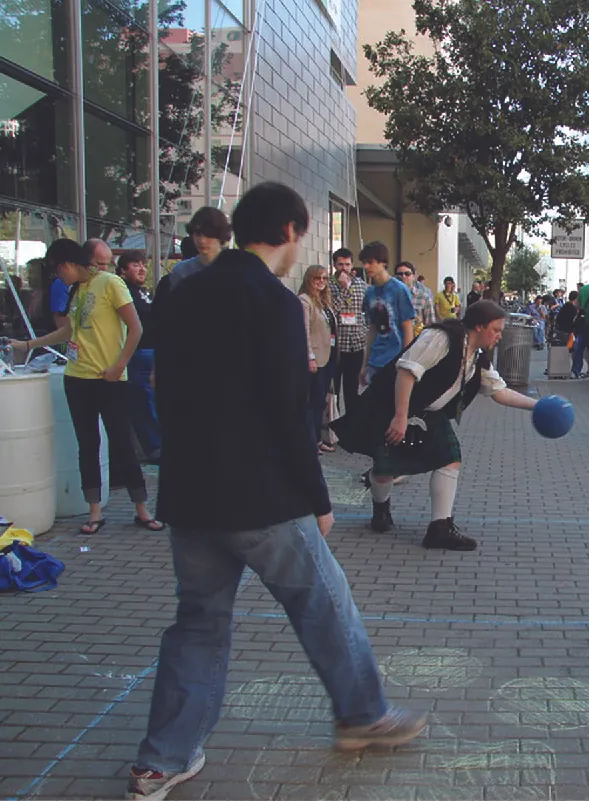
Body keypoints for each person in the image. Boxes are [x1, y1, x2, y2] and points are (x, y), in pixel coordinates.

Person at [127, 182, 426, 800]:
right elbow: (289, 413)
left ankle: (161, 760)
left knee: (198, 624)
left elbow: (166, 389)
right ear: (290, 232)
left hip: (190, 492)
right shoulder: (274, 302)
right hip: (260, 494)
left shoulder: (185, 291)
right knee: (325, 605)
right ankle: (363, 716)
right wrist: (317, 498)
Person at [332, 300, 539, 549]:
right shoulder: (440, 339)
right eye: (496, 329)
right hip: (391, 406)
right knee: (386, 470)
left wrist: (538, 405)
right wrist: (400, 417)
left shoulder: (477, 359)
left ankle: (440, 528)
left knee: (450, 457)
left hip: (430, 415)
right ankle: (381, 509)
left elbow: (500, 392)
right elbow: (406, 372)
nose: (499, 335)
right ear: (480, 327)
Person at [10, 240, 163, 535]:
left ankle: (142, 509)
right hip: (77, 378)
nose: (58, 278)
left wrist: (120, 365)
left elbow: (136, 328)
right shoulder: (75, 291)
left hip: (109, 379)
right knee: (87, 445)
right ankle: (95, 511)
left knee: (121, 444)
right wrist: (28, 345)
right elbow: (67, 331)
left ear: (67, 264)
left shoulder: (110, 283)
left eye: (58, 271)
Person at [115, 250, 160, 462]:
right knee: (144, 402)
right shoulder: (123, 292)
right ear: (122, 271)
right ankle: (153, 447)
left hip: (153, 353)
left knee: (154, 400)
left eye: (143, 264)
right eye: (135, 264)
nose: (142, 268)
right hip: (137, 353)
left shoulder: (143, 292)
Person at [154, 207, 232, 314]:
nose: (202, 240)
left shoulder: (235, 269)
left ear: (221, 236)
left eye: (209, 235)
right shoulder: (181, 271)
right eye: (198, 234)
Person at [358, 241, 415, 388]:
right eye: (364, 263)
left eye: (370, 262)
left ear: (383, 263)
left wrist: (405, 363)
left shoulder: (399, 289)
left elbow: (407, 327)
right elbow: (372, 329)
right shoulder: (369, 292)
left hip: (394, 359)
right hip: (375, 360)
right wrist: (364, 364)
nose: (366, 267)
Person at [299, 265, 337, 455]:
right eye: (317, 279)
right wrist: (309, 357)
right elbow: (303, 331)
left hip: (328, 356)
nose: (321, 282)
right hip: (314, 359)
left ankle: (318, 439)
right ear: (309, 280)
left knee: (320, 401)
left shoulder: (324, 301)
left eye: (324, 278)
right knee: (311, 402)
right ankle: (310, 441)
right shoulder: (304, 301)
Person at [331, 248, 368, 418]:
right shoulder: (329, 285)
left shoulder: (361, 285)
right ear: (335, 265)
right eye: (340, 264)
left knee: (352, 388)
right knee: (335, 389)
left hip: (356, 343)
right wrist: (345, 288)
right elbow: (331, 309)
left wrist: (365, 331)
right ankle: (334, 426)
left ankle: (352, 425)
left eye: (347, 264)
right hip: (337, 345)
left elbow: (367, 311)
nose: (344, 268)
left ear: (352, 265)